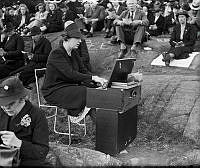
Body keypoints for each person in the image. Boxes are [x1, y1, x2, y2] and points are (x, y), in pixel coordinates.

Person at [41, 21, 107, 123]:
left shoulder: (74, 53)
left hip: (69, 86)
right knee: (86, 92)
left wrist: (98, 79)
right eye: (77, 38)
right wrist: (92, 78)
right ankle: (75, 114)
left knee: (96, 91)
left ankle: (105, 126)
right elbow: (70, 74)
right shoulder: (56, 53)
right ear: (67, 38)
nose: (80, 41)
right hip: (54, 90)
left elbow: (84, 71)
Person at [0, 76, 49, 166]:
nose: (6, 108)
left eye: (11, 103)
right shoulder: (2, 112)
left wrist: (19, 143)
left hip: (26, 162)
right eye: (3, 104)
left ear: (22, 98)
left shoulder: (37, 115)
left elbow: (42, 152)